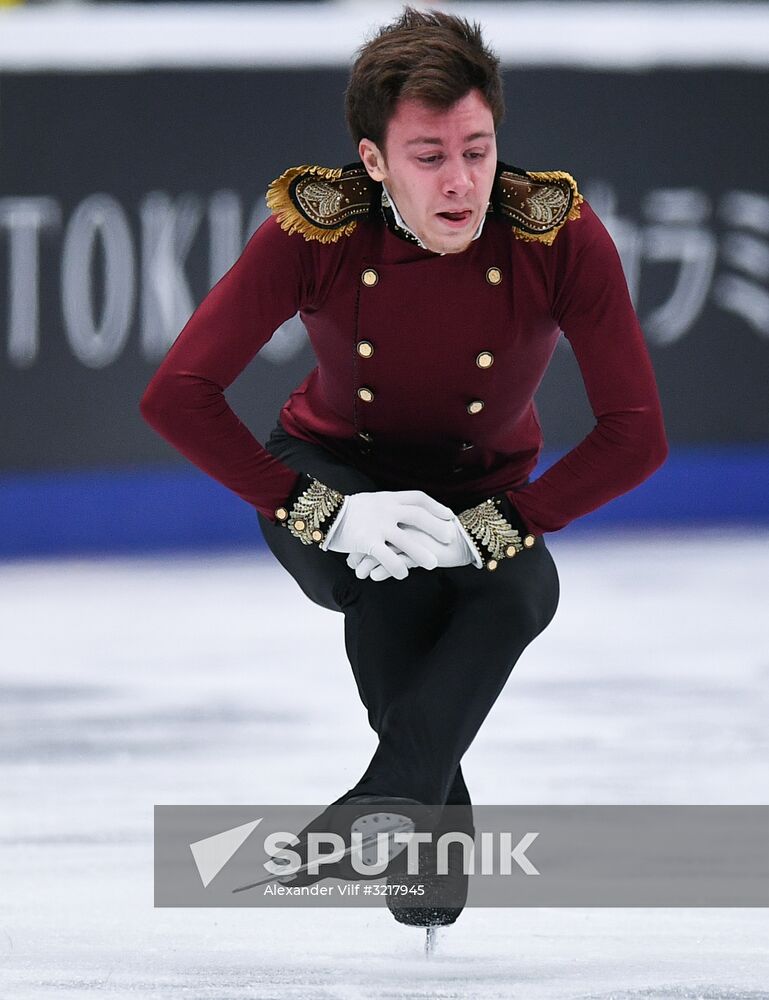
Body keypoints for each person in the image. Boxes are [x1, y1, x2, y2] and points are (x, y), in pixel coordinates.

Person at [140, 7, 667, 931]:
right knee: (390, 585)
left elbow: (636, 432)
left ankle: (388, 800)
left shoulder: (555, 235)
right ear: (374, 161)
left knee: (520, 590)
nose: (461, 181)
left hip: (482, 488)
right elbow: (177, 393)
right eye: (428, 157)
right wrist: (323, 511)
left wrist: (502, 522)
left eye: (477, 150)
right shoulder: (317, 228)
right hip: (330, 471)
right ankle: (410, 801)